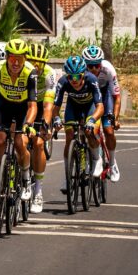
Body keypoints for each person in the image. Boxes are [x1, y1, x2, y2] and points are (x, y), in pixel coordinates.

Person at [0, 38, 38, 209]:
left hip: (22, 108)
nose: (15, 62)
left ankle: (27, 180)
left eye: (20, 58)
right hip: (3, 106)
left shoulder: (31, 72)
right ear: (6, 57)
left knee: (20, 143)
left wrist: (28, 124)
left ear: (25, 59)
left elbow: (32, 105)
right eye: (12, 58)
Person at [53, 55, 105, 191]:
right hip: (73, 107)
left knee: (89, 131)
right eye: (70, 77)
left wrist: (93, 120)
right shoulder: (63, 82)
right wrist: (57, 119)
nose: (73, 80)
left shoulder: (92, 80)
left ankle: (96, 158)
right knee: (69, 137)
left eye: (77, 77)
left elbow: (100, 106)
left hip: (89, 108)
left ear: (84, 74)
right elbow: (56, 107)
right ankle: (68, 177)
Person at [82, 45, 123, 182]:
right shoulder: (80, 71)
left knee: (109, 131)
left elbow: (116, 96)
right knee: (88, 129)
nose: (94, 69)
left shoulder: (108, 69)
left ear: (101, 63)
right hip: (89, 98)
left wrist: (115, 118)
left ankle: (112, 163)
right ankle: (91, 158)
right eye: (90, 66)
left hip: (105, 97)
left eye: (97, 65)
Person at [25, 42, 56, 213]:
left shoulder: (49, 74)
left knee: (37, 144)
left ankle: (38, 189)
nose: (35, 65)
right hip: (26, 105)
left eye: (39, 62)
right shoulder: (23, 71)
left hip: (42, 106)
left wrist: (45, 124)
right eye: (31, 61)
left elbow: (48, 105)